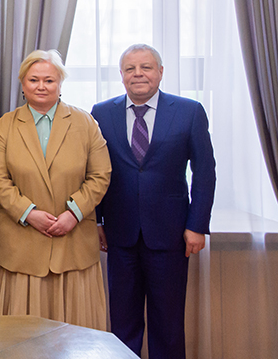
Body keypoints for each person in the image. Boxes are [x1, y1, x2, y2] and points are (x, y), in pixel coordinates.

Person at [92, 44, 216, 359]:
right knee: (123, 323)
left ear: (160, 72)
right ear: (121, 75)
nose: (138, 74)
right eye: (130, 68)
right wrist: (98, 220)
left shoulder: (189, 111)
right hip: (120, 235)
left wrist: (197, 225)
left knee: (168, 324)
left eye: (146, 67)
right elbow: (94, 172)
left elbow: (204, 172)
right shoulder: (101, 113)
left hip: (171, 235)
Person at [0, 49, 111, 329]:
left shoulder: (85, 123)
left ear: (60, 84)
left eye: (49, 80)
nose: (41, 86)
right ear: (23, 84)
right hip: (23, 243)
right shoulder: (6, 125)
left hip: (74, 242)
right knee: (21, 335)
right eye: (34, 80)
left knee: (76, 334)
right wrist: (28, 213)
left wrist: (73, 214)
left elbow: (100, 174)